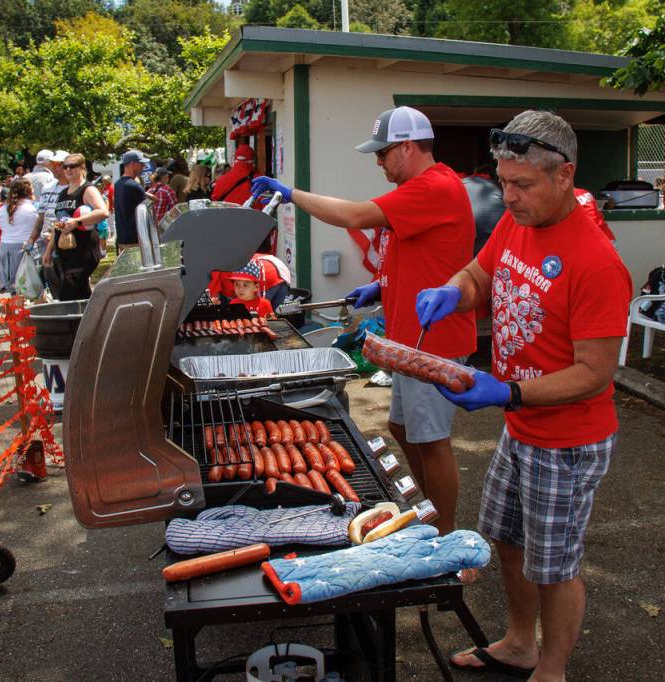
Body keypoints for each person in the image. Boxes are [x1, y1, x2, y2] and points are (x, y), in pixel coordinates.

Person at [416, 111, 631, 681]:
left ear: (565, 176)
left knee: (554, 567)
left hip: (567, 439)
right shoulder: (520, 221)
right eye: (503, 182)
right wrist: (452, 291)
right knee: (508, 541)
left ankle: (552, 669)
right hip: (522, 426)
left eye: (523, 185)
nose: (508, 197)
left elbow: (595, 373)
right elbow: (481, 275)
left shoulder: (596, 261)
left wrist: (506, 390)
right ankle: (518, 643)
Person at [251, 106, 476, 534]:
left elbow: (353, 216)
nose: (378, 161)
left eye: (383, 152)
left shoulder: (434, 186)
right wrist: (383, 285)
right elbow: (418, 251)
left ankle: (445, 535)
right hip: (410, 338)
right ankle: (426, 510)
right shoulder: (421, 186)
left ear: (407, 148)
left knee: (432, 441)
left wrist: (291, 194)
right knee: (401, 426)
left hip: (436, 340)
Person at [42, 153, 108, 300]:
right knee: (80, 294)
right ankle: (89, 320)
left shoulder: (87, 189)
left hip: (83, 252)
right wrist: (48, 250)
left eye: (72, 166)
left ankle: (71, 323)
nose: (68, 169)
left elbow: (103, 211)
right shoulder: (63, 193)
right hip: (65, 252)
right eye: (65, 166)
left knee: (67, 293)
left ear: (82, 167)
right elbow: (57, 225)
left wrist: (77, 221)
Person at [0, 178, 36, 294]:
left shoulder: (2, 209)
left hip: (5, 249)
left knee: (15, 290)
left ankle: (17, 310)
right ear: (29, 191)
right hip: (25, 249)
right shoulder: (31, 209)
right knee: (29, 287)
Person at [113, 149, 148, 254]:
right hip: (135, 240)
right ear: (133, 164)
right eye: (141, 163)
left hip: (122, 238)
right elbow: (145, 214)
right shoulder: (135, 186)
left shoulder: (118, 184)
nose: (144, 167)